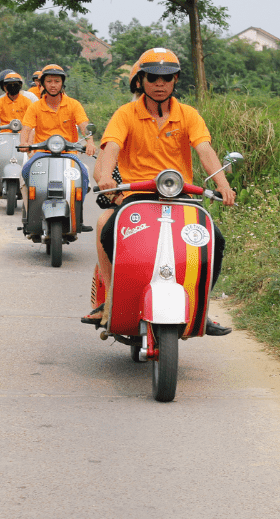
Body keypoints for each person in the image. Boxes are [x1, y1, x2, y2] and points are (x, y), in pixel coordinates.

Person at [86, 48, 236, 335]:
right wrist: (105, 176)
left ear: (176, 79)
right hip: (136, 196)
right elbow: (112, 147)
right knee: (106, 225)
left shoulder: (188, 114)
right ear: (141, 80)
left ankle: (201, 308)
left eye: (166, 78)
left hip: (181, 196)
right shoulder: (125, 114)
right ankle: (110, 298)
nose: (159, 83)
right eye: (152, 77)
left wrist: (222, 184)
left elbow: (204, 149)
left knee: (213, 239)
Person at [20, 64, 96, 168]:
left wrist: (90, 142)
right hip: (41, 154)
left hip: (69, 154)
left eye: (57, 81)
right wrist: (23, 143)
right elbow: (26, 128)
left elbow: (83, 125)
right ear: (43, 83)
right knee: (25, 171)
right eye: (49, 81)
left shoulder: (74, 104)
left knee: (83, 172)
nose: (53, 85)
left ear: (62, 83)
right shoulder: (35, 107)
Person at [0, 70, 37, 160]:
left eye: (15, 84)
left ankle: (30, 163)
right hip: (4, 133)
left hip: (24, 133)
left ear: (20, 85)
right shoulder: (0, 101)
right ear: (5, 86)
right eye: (9, 84)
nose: (12, 86)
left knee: (34, 140)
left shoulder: (27, 100)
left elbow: (32, 115)